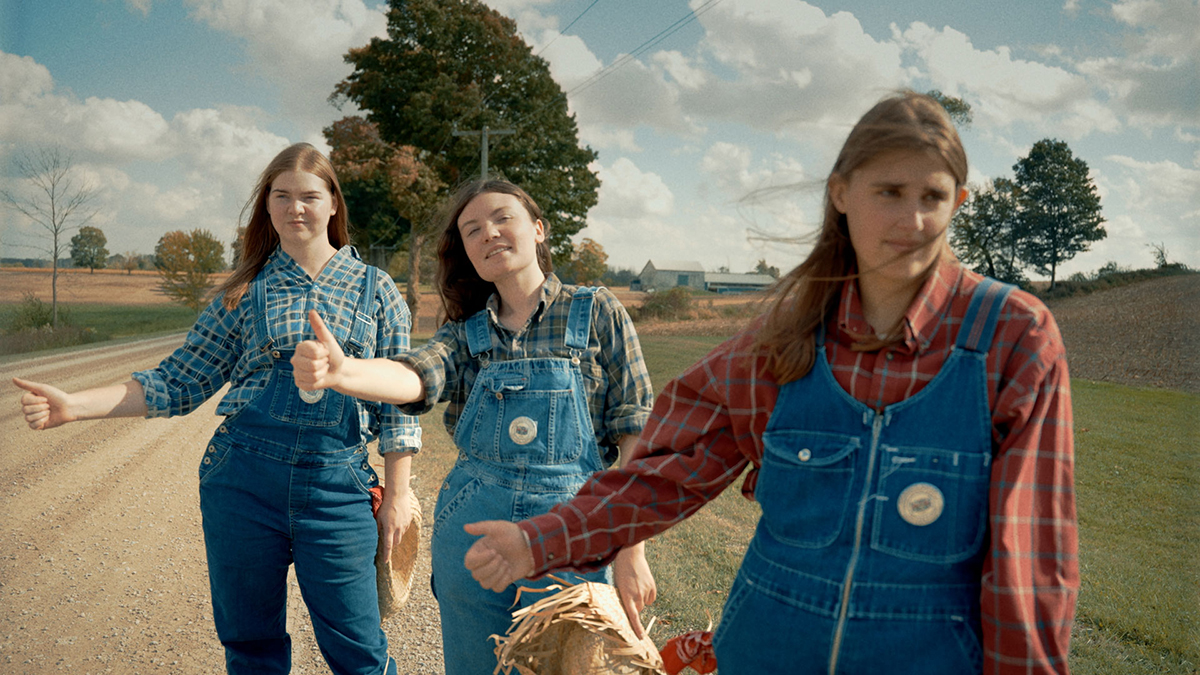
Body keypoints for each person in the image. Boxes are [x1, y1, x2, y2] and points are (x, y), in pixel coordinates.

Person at [461, 92, 1079, 674]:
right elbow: (666, 472)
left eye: (933, 196)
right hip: (767, 646)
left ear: (959, 202)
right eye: (889, 191)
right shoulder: (782, 342)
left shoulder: (1012, 339)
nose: (912, 218)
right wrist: (539, 540)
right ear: (841, 193)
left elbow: (1031, 561)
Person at [13, 143, 418, 675]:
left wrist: (400, 495)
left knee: (359, 650)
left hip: (337, 490)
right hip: (243, 485)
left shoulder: (378, 290)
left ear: (334, 204)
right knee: (251, 646)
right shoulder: (244, 292)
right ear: (267, 207)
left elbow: (403, 403)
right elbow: (177, 381)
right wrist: (75, 406)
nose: (296, 208)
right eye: (281, 196)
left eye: (309, 196)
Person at [289, 179, 658, 675]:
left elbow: (638, 434)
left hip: (574, 532)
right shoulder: (467, 333)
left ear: (538, 229)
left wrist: (632, 552)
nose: (489, 233)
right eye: (472, 229)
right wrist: (344, 373)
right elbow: (416, 374)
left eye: (503, 218)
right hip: (472, 532)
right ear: (465, 250)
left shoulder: (596, 311)